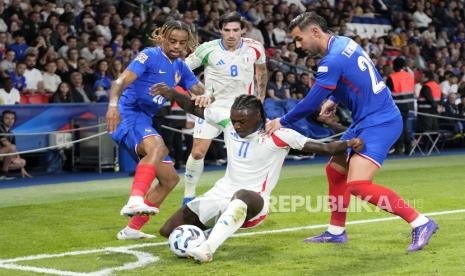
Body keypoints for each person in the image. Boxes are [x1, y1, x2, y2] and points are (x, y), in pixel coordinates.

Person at [265, 12, 437, 252]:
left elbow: (313, 100)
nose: (297, 45)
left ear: (314, 32)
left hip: (380, 122)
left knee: (357, 185)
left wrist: (282, 121)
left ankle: (421, 222)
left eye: (298, 39)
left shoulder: (330, 59)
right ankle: (336, 231)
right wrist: (334, 98)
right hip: (367, 119)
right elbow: (355, 76)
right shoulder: (345, 43)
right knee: (335, 171)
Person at [150, 89, 363, 262]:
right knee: (168, 230)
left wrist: (349, 143)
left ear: (258, 117)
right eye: (234, 120)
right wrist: (172, 93)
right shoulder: (227, 121)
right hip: (220, 193)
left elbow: (324, 148)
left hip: (254, 202)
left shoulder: (279, 135)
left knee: (242, 195)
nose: (236, 125)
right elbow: (194, 108)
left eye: (242, 121)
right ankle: (203, 237)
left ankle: (207, 249)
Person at [105, 20, 211, 240]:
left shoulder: (180, 66)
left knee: (170, 180)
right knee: (158, 147)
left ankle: (131, 230)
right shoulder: (150, 55)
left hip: (144, 119)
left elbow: (200, 91)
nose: (176, 46)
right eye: (172, 41)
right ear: (162, 37)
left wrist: (205, 95)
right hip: (128, 114)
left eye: (182, 43)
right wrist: (113, 107)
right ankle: (135, 199)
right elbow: (119, 82)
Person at [182, 12, 268, 205]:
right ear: (220, 30)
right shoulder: (207, 49)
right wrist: (195, 91)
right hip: (212, 108)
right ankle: (188, 196)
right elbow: (182, 69)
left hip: (241, 110)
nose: (231, 34)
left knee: (240, 157)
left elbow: (261, 72)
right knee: (197, 152)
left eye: (235, 30)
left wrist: (260, 98)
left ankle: (244, 196)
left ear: (243, 30)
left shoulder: (254, 48)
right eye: (227, 30)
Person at [386, 57, 415, 155]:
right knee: (404, 126)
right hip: (409, 105)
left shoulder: (392, 77)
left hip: (397, 106)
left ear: (394, 66)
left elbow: (387, 94)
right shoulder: (409, 76)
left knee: (398, 127)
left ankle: (399, 148)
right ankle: (408, 147)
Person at [0, 110, 31, 179]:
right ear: (2, 119)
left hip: (4, 157)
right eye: (7, 118)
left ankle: (3, 174)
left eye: (12, 118)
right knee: (11, 148)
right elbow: (7, 144)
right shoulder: (0, 128)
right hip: (1, 154)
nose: (10, 120)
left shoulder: (11, 134)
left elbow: (15, 149)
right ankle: (4, 174)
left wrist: (22, 168)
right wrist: (14, 158)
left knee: (22, 162)